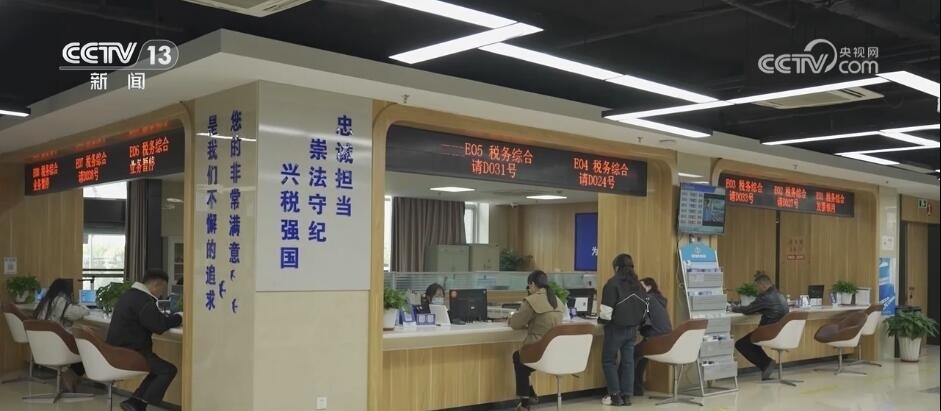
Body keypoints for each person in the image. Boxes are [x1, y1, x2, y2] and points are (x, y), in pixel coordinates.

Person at [107, 269, 183, 411]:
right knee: (167, 370)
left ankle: (135, 402)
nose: (161, 294)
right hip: (131, 352)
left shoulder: (129, 295)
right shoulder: (143, 300)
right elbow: (159, 326)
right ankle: (138, 404)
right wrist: (179, 317)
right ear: (156, 284)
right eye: (162, 289)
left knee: (159, 369)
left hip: (117, 350)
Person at [508, 270, 564, 411]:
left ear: (532, 284)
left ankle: (525, 402)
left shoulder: (531, 301)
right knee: (522, 361)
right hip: (554, 352)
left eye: (529, 286)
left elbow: (515, 324)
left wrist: (510, 318)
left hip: (538, 351)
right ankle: (530, 393)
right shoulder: (557, 301)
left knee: (519, 358)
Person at [599, 254, 648, 406]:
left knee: (609, 360)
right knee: (628, 362)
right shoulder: (638, 285)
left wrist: (601, 321)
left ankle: (615, 395)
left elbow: (606, 312)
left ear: (616, 268)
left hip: (615, 328)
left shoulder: (612, 283)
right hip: (632, 329)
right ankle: (626, 396)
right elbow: (645, 307)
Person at [34, 278, 90, 392]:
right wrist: (84, 307)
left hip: (42, 346)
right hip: (57, 347)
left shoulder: (45, 301)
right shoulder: (60, 301)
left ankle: (70, 375)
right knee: (88, 349)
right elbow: (76, 313)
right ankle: (70, 374)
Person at [731, 272, 788, 380]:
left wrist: (733, 308)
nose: (757, 290)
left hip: (768, 332)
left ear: (763, 285)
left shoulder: (765, 297)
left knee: (741, 344)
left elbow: (748, 310)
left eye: (758, 286)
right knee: (751, 342)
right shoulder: (780, 295)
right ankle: (766, 363)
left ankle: (766, 363)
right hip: (779, 332)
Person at [633, 277, 672, 396]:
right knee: (641, 356)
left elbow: (638, 319)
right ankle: (637, 388)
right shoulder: (659, 299)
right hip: (667, 339)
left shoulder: (647, 299)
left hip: (654, 339)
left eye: (641, 286)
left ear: (649, 287)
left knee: (630, 355)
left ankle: (625, 389)